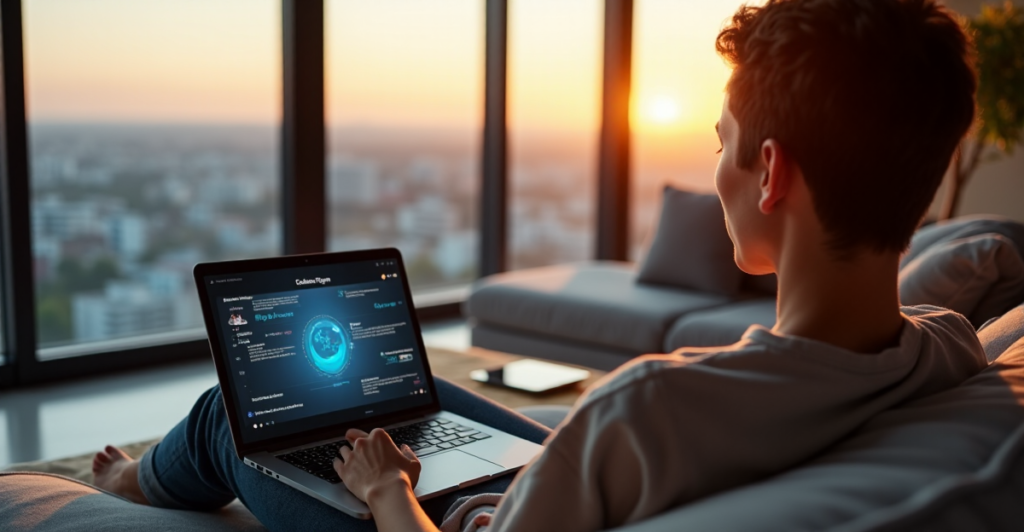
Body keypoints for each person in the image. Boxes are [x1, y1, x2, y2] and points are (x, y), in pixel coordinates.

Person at [92, 0, 987, 530]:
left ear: (770, 173)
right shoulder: (951, 346)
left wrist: (391, 494)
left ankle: (128, 483)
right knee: (418, 399)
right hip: (588, 482)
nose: (714, 169)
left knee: (231, 415)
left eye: (722, 144)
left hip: (462, 518)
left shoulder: (649, 405)